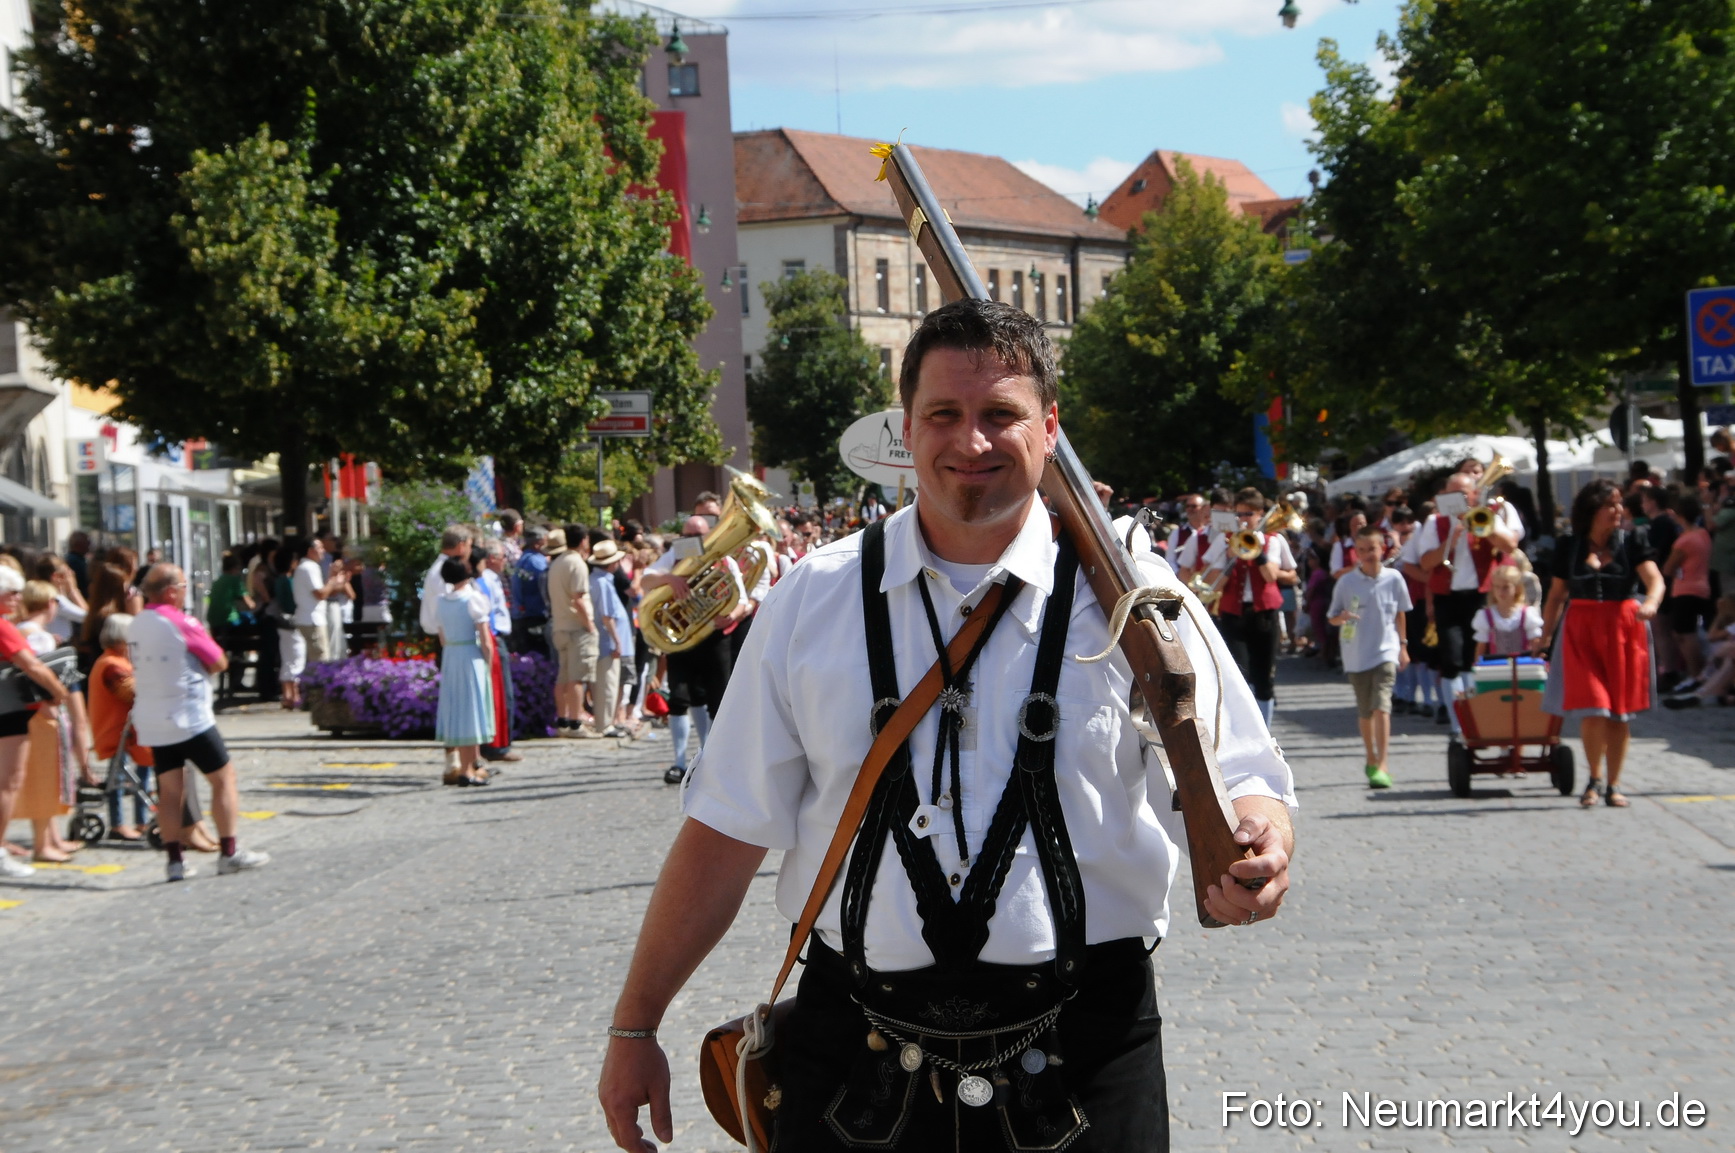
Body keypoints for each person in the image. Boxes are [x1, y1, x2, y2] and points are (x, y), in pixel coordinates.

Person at [597, 298, 1294, 1153]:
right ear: (907, 426)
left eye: (1000, 414)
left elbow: (1247, 777)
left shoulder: (1137, 599)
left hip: (1087, 1053)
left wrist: (1259, 841)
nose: (971, 442)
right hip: (857, 1062)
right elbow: (725, 831)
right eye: (944, 414)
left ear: (1049, 428)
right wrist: (635, 1025)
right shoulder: (812, 598)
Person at [128, 564, 269, 881]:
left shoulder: (137, 623)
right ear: (170, 591)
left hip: (153, 716)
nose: (186, 589)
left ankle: (175, 862)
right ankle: (229, 852)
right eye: (183, 584)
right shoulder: (180, 621)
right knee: (223, 779)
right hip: (189, 714)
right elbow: (218, 661)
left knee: (169, 789)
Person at [1540, 480, 1664, 809]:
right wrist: (1545, 635)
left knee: (1619, 714)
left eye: (1620, 504)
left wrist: (1650, 602)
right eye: (1611, 505)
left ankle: (1614, 784)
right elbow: (1555, 596)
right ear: (1593, 509)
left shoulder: (1633, 539)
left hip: (1623, 627)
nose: (1618, 511)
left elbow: (1655, 580)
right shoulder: (1569, 545)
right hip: (1580, 628)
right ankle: (1593, 778)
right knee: (1593, 707)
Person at [1417, 469, 1524, 737]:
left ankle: (1478, 714)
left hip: (1481, 596)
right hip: (1447, 597)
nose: (1458, 499)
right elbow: (1426, 562)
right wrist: (1449, 541)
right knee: (1451, 658)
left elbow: (1510, 546)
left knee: (1476, 659)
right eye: (1452, 493)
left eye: (1463, 493)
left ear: (1474, 495)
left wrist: (1482, 526)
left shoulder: (1487, 515)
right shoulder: (1435, 521)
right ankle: (1457, 722)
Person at [641, 515, 745, 782]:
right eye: (686, 536)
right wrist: (669, 578)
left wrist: (732, 615)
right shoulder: (673, 556)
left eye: (697, 536)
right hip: (681, 635)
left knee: (717, 699)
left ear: (708, 535)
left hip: (714, 636)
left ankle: (713, 760)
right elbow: (644, 581)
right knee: (679, 697)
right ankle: (679, 762)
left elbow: (742, 600)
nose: (691, 541)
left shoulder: (726, 561)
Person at [0, 567, 76, 878]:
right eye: (12, 592)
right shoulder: (4, 627)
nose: (18, 598)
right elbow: (31, 665)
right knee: (9, 782)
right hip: (8, 711)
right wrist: (61, 694)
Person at [1199, 487, 1296, 725]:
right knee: (1238, 676)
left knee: (1264, 678)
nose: (1243, 520)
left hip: (1264, 613)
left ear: (1260, 515)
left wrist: (1257, 552)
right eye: (1239, 515)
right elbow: (1210, 579)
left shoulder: (1274, 540)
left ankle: (1266, 730)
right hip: (1234, 613)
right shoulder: (1225, 540)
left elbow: (1272, 576)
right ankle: (1243, 729)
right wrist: (1230, 554)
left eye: (1248, 515)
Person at [1327, 525, 1412, 788]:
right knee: (1366, 711)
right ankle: (1371, 757)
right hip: (1356, 654)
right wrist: (1341, 619)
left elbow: (1400, 612)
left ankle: (1384, 762)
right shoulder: (1346, 582)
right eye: (1362, 550)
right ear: (1356, 552)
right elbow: (1332, 617)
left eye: (1372, 549)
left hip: (1385, 650)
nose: (1368, 554)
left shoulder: (1394, 578)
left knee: (1381, 705)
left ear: (1382, 548)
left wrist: (1403, 646)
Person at [14, 580, 92, 862]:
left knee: (43, 778)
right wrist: (58, 697)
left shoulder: (23, 630)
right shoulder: (40, 637)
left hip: (31, 713)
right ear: (49, 604)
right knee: (48, 779)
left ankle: (50, 839)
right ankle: (43, 844)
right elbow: (37, 675)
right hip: (44, 712)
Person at [434, 557, 495, 787]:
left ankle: (465, 765)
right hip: (470, 655)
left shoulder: (441, 602)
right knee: (472, 712)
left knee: (458, 710)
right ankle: (468, 769)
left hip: (451, 655)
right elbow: (486, 639)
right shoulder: (473, 599)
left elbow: (442, 636)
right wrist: (488, 662)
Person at [547, 522, 597, 735]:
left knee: (563, 676)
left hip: (559, 625)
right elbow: (579, 599)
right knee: (577, 677)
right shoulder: (577, 564)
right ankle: (576, 722)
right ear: (584, 540)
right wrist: (590, 625)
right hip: (576, 626)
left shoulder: (557, 562)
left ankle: (563, 720)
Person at [1661, 493, 1715, 683]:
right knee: (1686, 632)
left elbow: (1668, 568)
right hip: (1701, 586)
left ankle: (1696, 674)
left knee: (1684, 633)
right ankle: (1698, 673)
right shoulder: (1702, 534)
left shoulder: (1684, 540)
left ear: (1679, 515)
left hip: (1685, 589)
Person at [476, 542, 521, 763]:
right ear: (492, 558)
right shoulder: (483, 579)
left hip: (500, 635)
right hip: (493, 636)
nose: (505, 561)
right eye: (502, 557)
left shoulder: (493, 578)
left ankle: (502, 743)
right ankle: (498, 746)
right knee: (502, 693)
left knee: (505, 693)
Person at [585, 539, 632, 739]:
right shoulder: (603, 582)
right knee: (608, 684)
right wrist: (617, 640)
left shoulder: (598, 579)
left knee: (605, 684)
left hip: (602, 640)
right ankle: (605, 724)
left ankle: (605, 722)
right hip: (607, 641)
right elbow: (606, 616)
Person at [1472, 565, 1543, 663]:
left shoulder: (1526, 614)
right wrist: (1478, 666)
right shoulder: (1486, 615)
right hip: (1497, 667)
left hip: (1523, 667)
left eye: (1506, 587)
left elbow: (1535, 643)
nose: (1501, 591)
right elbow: (1481, 647)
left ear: (1517, 588)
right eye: (1497, 587)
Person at [418, 524, 475, 639]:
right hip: (448, 638)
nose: (471, 550)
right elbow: (451, 606)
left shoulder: (444, 568)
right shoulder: (444, 570)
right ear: (461, 546)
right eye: (470, 545)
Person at [509, 525, 552, 655]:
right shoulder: (537, 562)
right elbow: (547, 587)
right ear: (538, 544)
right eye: (547, 541)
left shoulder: (523, 559)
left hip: (524, 614)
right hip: (536, 616)